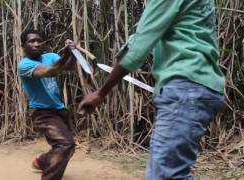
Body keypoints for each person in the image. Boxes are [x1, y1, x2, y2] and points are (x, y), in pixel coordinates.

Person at [78, 0, 225, 179]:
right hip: (198, 86)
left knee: (165, 175)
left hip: (185, 87)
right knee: (167, 172)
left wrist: (100, 93)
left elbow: (138, 46)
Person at [18, 29, 76, 180]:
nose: (36, 44)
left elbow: (69, 66)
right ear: (23, 45)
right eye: (32, 41)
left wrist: (73, 53)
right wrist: (67, 54)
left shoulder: (50, 56)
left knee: (69, 147)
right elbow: (51, 71)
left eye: (39, 40)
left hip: (59, 109)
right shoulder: (24, 65)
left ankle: (42, 161)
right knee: (65, 144)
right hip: (42, 112)